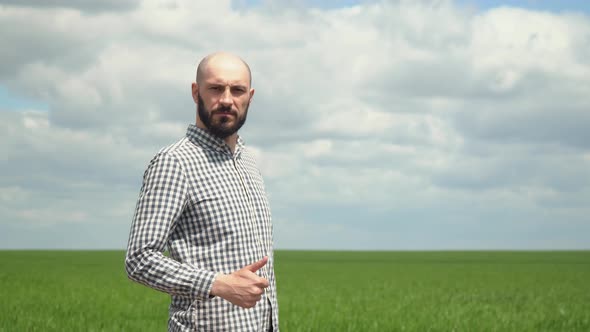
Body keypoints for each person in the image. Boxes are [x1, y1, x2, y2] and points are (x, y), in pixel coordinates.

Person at [125, 52, 279, 331]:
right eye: (216, 88)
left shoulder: (248, 162)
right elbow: (139, 259)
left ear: (250, 96)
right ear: (196, 92)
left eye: (238, 90)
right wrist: (219, 284)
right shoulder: (175, 162)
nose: (227, 100)